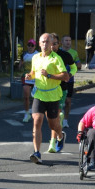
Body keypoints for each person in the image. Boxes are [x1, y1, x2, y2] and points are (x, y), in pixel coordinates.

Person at [26, 33, 68, 163]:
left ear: (51, 44)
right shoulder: (35, 57)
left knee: (52, 124)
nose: (44, 44)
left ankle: (60, 136)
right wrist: (29, 76)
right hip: (39, 94)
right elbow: (34, 73)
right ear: (39, 43)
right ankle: (37, 152)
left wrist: (49, 75)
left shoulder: (56, 59)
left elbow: (65, 76)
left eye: (47, 42)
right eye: (42, 42)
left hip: (53, 95)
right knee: (37, 120)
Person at [59, 35, 81, 129]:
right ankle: (57, 118)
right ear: (62, 42)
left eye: (69, 40)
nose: (68, 42)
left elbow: (79, 65)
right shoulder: (58, 52)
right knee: (57, 101)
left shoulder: (74, 52)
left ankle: (65, 120)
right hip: (58, 80)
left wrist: (73, 66)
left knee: (68, 101)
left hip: (69, 80)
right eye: (66, 40)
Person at [21, 39, 37, 122]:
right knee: (26, 96)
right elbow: (20, 64)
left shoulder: (38, 54)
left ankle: (35, 112)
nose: (30, 47)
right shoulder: (24, 54)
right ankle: (26, 114)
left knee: (36, 97)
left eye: (32, 45)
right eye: (29, 45)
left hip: (36, 77)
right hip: (26, 76)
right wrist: (20, 65)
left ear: (35, 46)